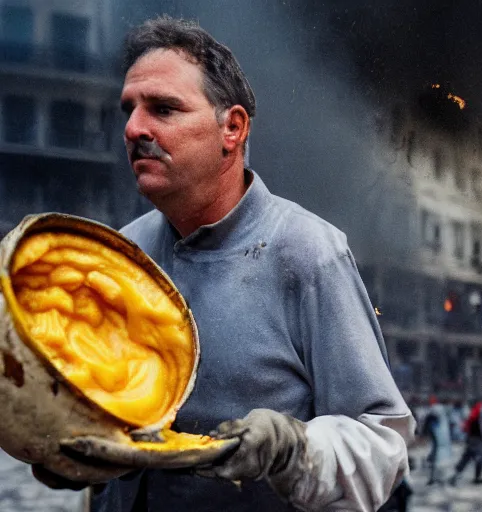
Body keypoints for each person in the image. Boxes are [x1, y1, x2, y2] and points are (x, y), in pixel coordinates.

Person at [32, 16, 414, 512]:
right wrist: (66, 450)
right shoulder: (122, 252)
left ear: (231, 128)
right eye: (129, 110)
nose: (133, 128)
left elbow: (383, 443)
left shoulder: (308, 253)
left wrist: (293, 449)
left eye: (163, 109)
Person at [449, 399, 482, 486]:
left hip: (471, 438)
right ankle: (477, 477)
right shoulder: (481, 412)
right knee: (480, 457)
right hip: (478, 439)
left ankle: (455, 475)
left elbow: (468, 425)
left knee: (467, 457)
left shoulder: (474, 412)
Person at [423, 396, 451, 485]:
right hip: (439, 440)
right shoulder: (438, 410)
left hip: (439, 441)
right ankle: (434, 477)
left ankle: (434, 477)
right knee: (436, 459)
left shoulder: (436, 410)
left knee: (436, 458)